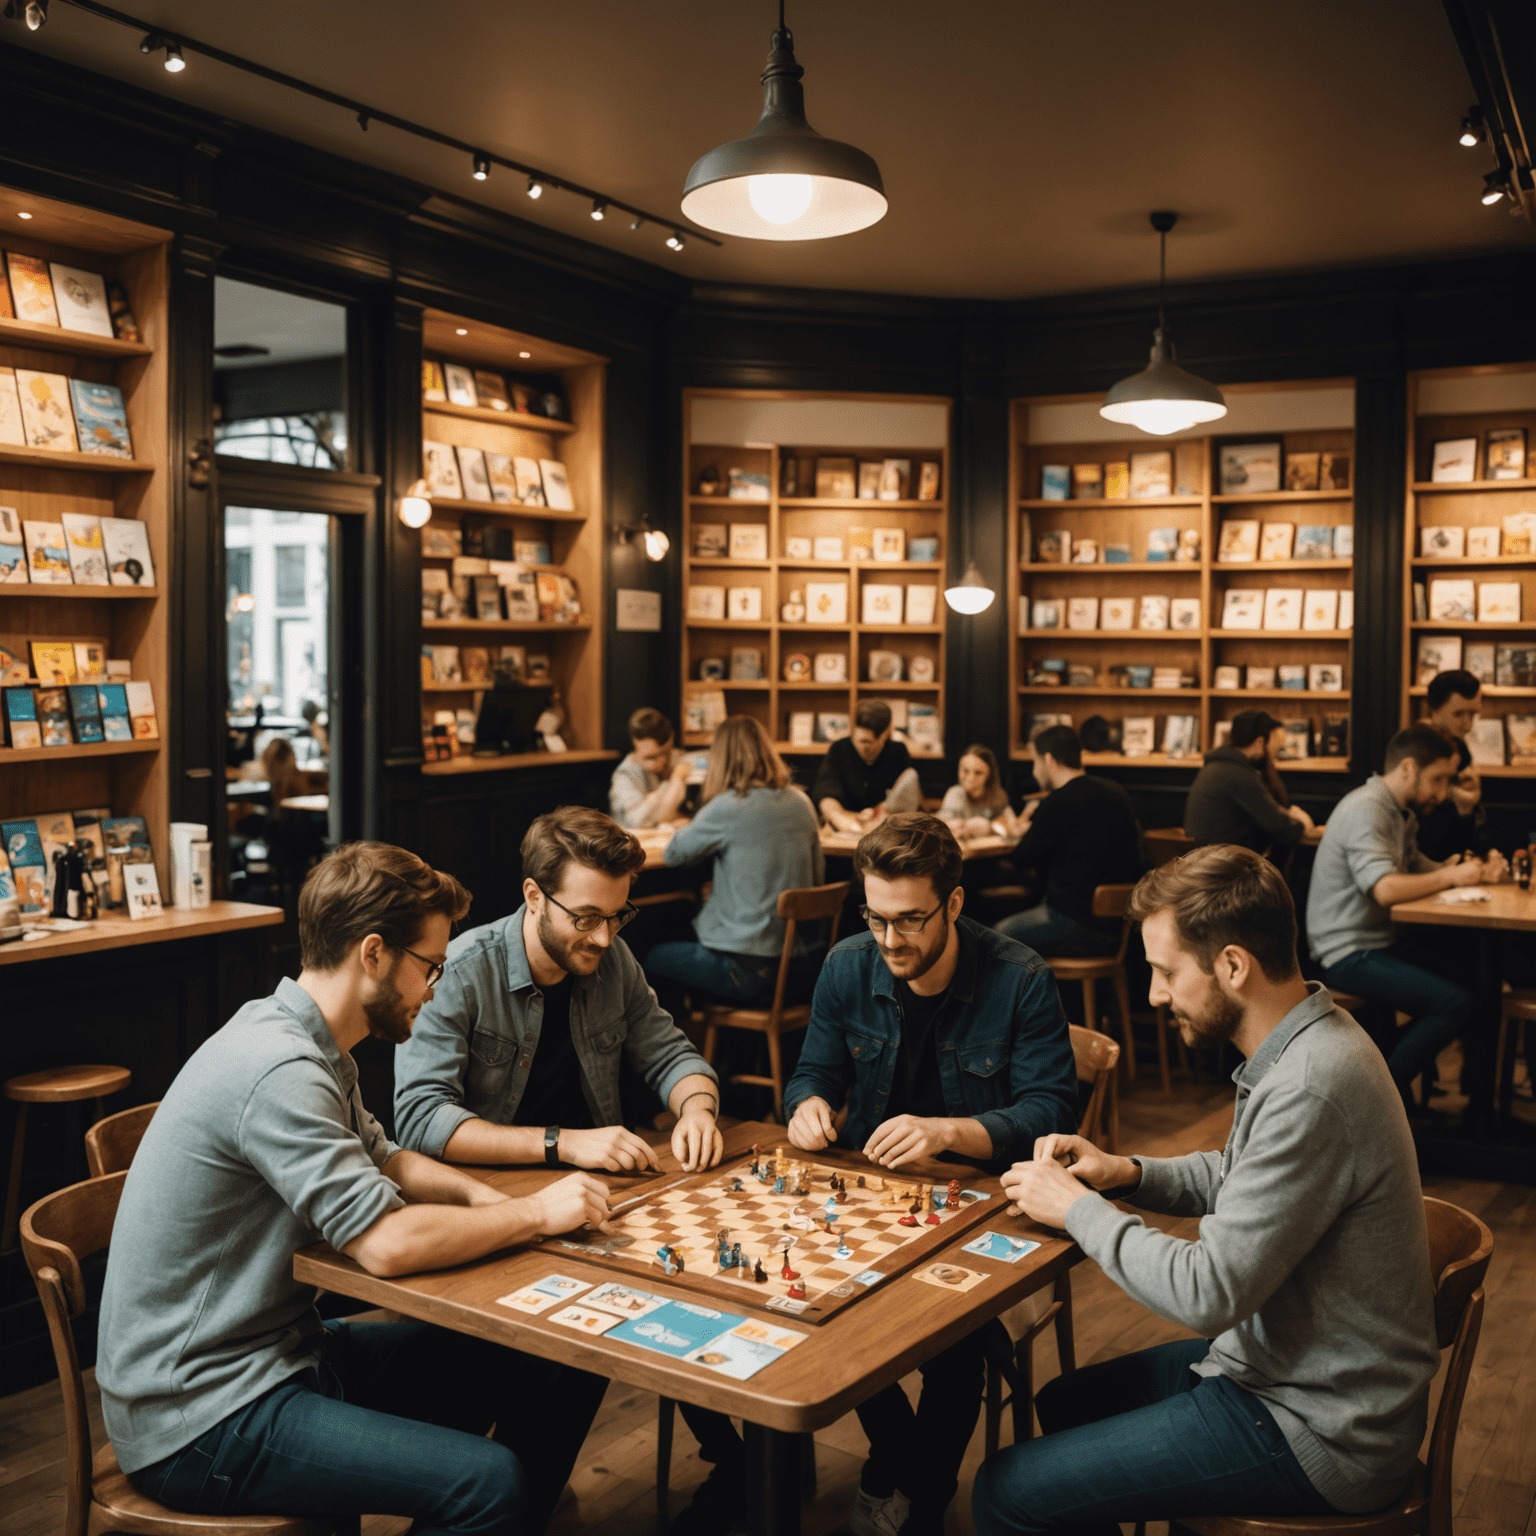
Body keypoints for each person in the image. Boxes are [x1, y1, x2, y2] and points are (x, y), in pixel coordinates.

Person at [96, 842, 616, 1534]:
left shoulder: (308, 1039)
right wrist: (536, 1214)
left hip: (278, 1353)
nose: (435, 986)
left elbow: (389, 1159)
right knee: (487, 1481)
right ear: (373, 953)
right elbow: (386, 1245)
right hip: (200, 1412)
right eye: (430, 965)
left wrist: (488, 1202)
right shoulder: (280, 1068)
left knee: (544, 1355)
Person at [975, 845, 1440, 1536]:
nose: (1155, 994)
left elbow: (1208, 1292)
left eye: (1165, 972)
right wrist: (1125, 1172)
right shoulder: (1306, 1038)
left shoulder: (1312, 1084)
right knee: (1070, 1401)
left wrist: (1078, 1208)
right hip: (1286, 1370)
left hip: (1325, 1431)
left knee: (1003, 1491)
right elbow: (1239, 1176)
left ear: (1231, 965)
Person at [392, 806, 730, 1535]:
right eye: (586, 917)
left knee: (710, 1280)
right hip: (488, 1209)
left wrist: (696, 1106)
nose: (603, 937)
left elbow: (670, 1051)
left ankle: (743, 1467)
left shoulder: (612, 960)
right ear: (534, 896)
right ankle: (509, 1503)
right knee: (590, 1342)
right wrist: (564, 1144)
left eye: (617, 917)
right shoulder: (462, 966)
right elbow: (418, 1119)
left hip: (593, 1206)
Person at [784, 813, 1077, 1536]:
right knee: (812, 1313)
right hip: (864, 1196)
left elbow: (1049, 1113)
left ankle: (916, 1500)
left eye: (911, 919)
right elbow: (811, 1073)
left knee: (956, 1348)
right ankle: (902, 1463)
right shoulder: (847, 965)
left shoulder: (1021, 978)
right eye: (876, 918)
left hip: (984, 1203)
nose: (890, 941)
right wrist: (808, 1106)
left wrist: (949, 1132)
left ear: (953, 903)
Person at [1306, 722, 1504, 1104]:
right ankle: (1379, 1104)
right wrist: (1451, 876)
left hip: (1378, 943)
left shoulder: (1399, 813)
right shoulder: (1367, 808)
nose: (1443, 792)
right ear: (1409, 767)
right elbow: (1385, 888)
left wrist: (1467, 870)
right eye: (1439, 779)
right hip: (1346, 952)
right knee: (1453, 1003)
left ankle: (1475, 1114)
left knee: (1476, 988)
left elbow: (1417, 868)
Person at [646, 715, 825, 1012]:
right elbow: (819, 877)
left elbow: (673, 854)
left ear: (720, 759)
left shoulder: (727, 806)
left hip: (747, 973)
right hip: (802, 969)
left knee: (652, 957)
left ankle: (676, 1051)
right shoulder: (800, 803)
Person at [993, 725, 1144, 957]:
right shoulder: (1117, 793)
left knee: (998, 937)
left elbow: (1021, 858)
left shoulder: (1058, 801)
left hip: (1077, 924)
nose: (1035, 772)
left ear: (1049, 760)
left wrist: (1016, 833)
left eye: (1035, 762)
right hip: (1121, 928)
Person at [1184, 709, 1313, 857]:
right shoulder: (1238, 774)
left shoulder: (1217, 766)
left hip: (1203, 859)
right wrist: (1302, 823)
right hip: (1221, 866)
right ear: (1259, 742)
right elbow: (1282, 829)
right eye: (1272, 745)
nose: (1273, 754)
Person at [813, 699, 921, 832]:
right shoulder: (839, 749)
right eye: (857, 740)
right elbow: (826, 796)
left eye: (867, 742)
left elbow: (902, 802)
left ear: (885, 735)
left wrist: (878, 815)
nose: (861, 747)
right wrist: (840, 818)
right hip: (845, 827)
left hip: (884, 830)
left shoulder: (898, 752)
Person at [1414, 669, 1487, 862]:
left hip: (1456, 855)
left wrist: (1468, 804)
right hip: (1425, 861)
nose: (1468, 724)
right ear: (1434, 709)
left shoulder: (1459, 745)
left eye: (1473, 714)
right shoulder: (1416, 747)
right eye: (1459, 714)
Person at [610, 706, 692, 829]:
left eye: (665, 753)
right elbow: (638, 822)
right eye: (650, 758)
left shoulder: (679, 759)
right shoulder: (624, 775)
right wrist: (672, 784)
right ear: (635, 749)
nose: (661, 761)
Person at [938, 742, 1023, 838]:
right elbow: (942, 826)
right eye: (965, 771)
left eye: (978, 773)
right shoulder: (955, 793)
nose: (970, 778)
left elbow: (1009, 824)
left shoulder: (998, 795)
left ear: (989, 775)